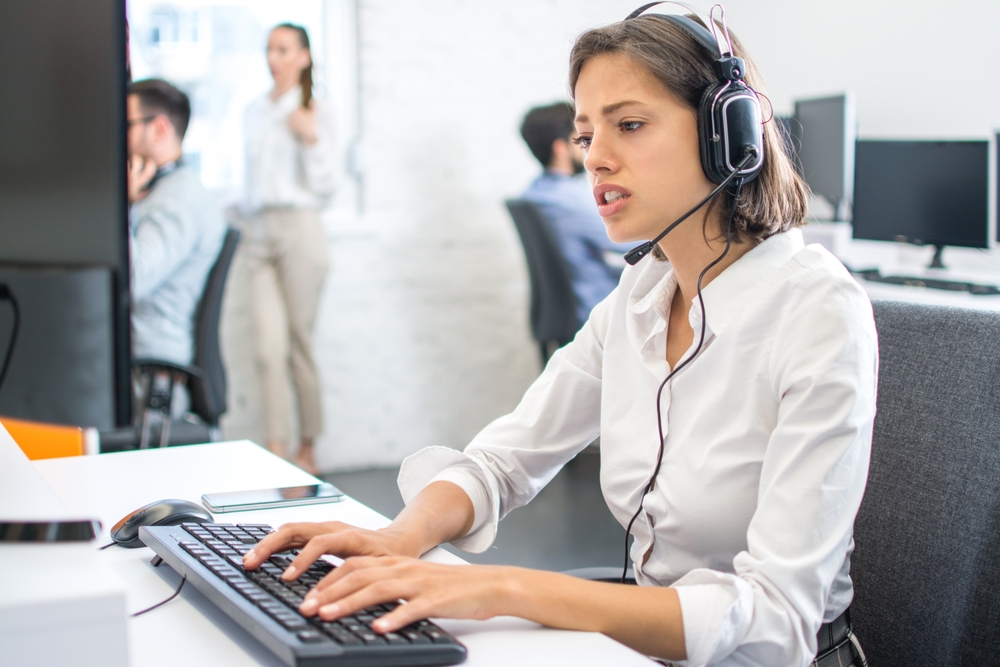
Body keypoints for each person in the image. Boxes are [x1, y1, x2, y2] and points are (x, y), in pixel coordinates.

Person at [243, 8, 877, 667]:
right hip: (640, 647)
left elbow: (775, 619)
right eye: (585, 134)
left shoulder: (817, 312)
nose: (595, 157)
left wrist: (504, 587)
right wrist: (399, 536)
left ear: (730, 134)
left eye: (629, 124)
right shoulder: (642, 294)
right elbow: (503, 462)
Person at [242, 23, 336, 474]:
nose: (273, 58)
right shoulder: (254, 111)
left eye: (283, 50)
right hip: (259, 231)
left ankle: (308, 447)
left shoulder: (315, 109)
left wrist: (310, 136)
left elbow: (328, 187)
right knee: (266, 348)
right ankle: (275, 449)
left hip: (301, 228)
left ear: (302, 56)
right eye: (269, 50)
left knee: (299, 343)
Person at [128, 78, 226, 413]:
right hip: (134, 360)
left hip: (149, 374)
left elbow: (134, 280)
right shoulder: (163, 191)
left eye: (125, 125)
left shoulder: (178, 200)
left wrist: (122, 205)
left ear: (158, 129)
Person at [520, 102, 633, 325]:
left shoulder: (534, 193)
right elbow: (633, 242)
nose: (589, 151)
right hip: (598, 308)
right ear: (561, 148)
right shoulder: (569, 201)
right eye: (582, 140)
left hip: (571, 309)